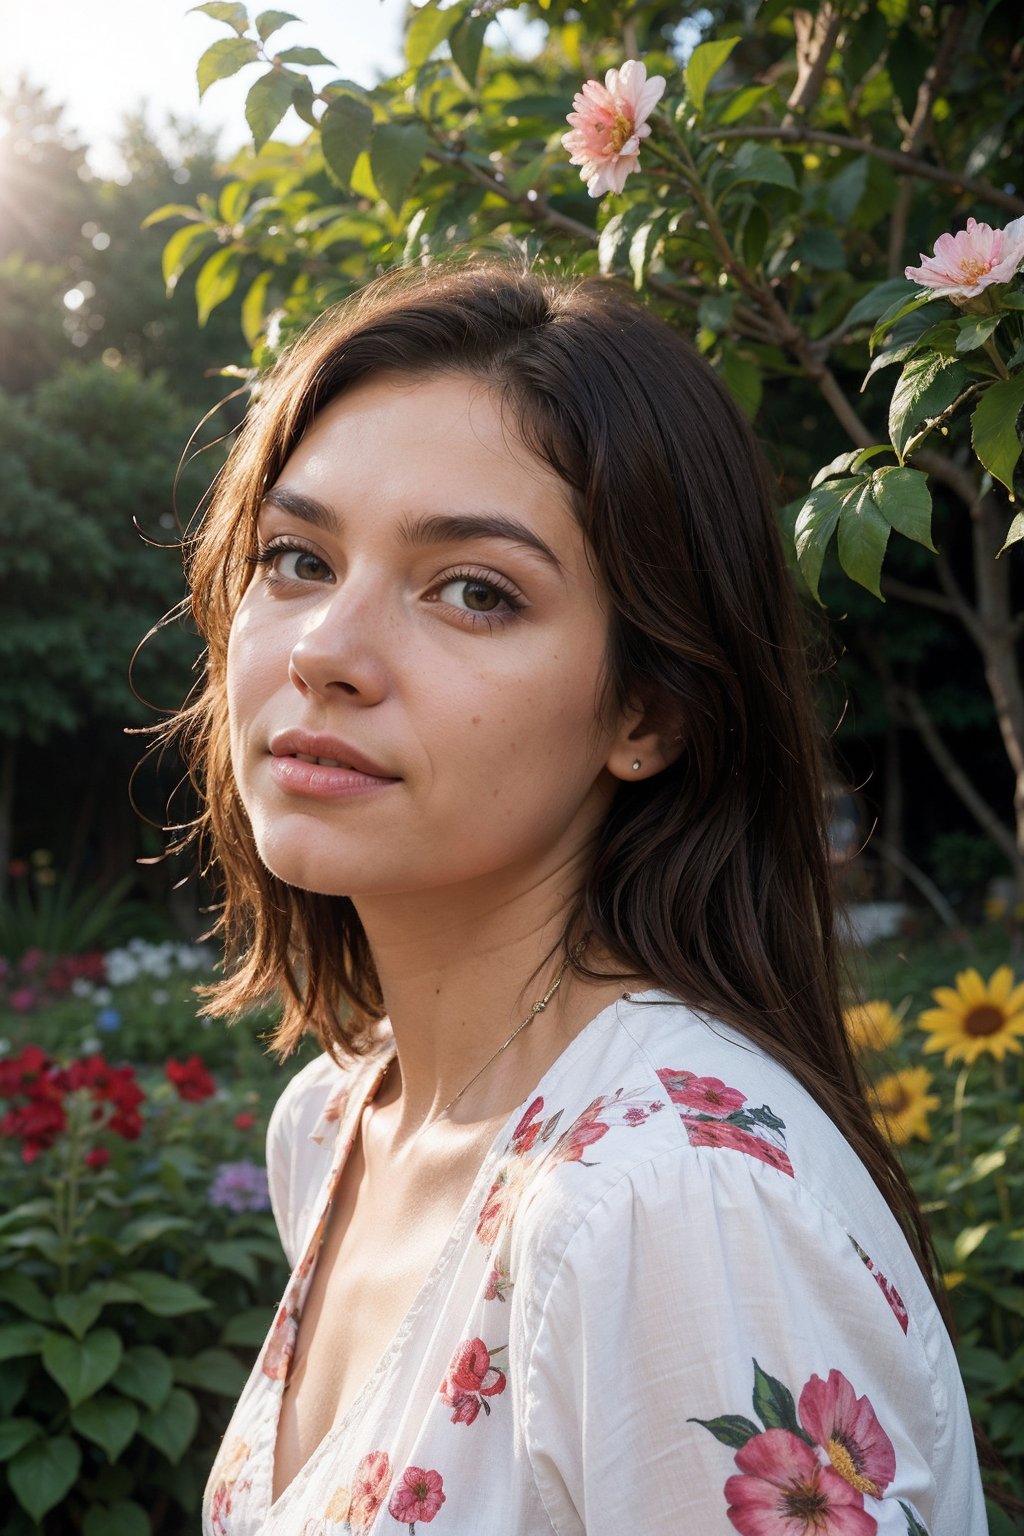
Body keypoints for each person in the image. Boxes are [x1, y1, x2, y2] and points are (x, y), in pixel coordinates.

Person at [173, 260, 986, 1535]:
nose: (325, 649)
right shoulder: (335, 1125)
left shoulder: (677, 1209)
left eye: (474, 591)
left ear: (646, 710)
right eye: (294, 557)